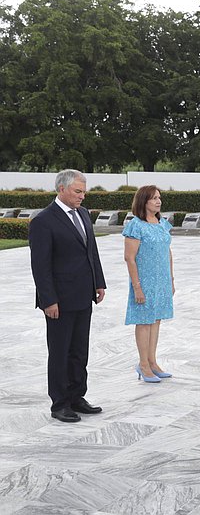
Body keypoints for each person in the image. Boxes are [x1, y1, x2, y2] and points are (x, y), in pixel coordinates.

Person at [29, 169, 106, 422]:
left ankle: (76, 396)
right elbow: (41, 266)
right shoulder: (43, 221)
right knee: (60, 352)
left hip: (84, 295)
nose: (82, 196)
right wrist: (48, 300)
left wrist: (99, 283)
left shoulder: (83, 214)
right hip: (59, 301)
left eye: (84, 191)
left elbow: (90, 251)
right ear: (61, 189)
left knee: (79, 351)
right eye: (78, 191)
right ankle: (60, 403)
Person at [123, 185, 175, 383]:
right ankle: (143, 364)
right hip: (144, 281)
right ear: (143, 201)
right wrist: (137, 286)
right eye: (154, 198)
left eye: (159, 198)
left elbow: (167, 252)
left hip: (161, 281)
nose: (158, 201)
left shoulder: (163, 223)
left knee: (156, 320)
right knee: (144, 321)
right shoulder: (135, 225)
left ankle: (152, 362)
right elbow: (129, 258)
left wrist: (171, 279)